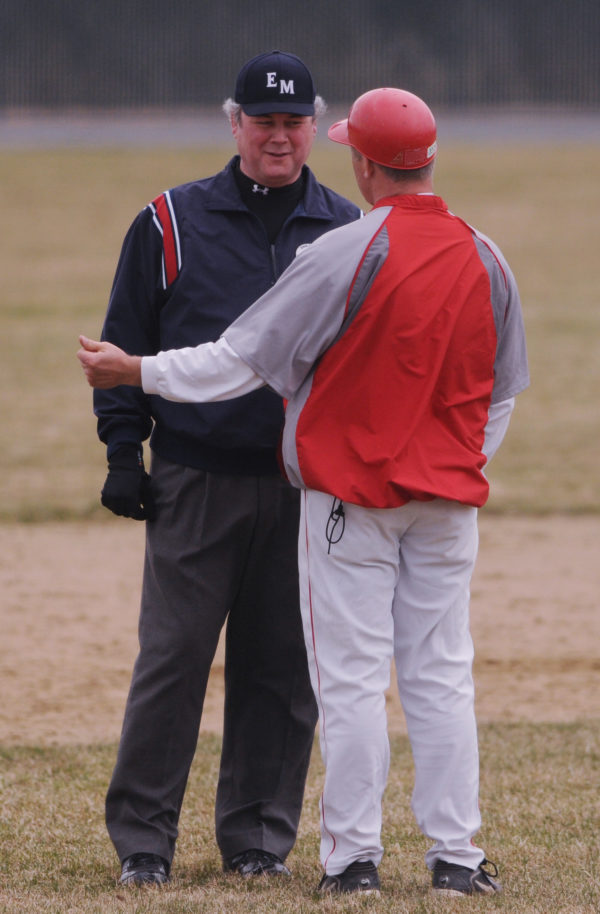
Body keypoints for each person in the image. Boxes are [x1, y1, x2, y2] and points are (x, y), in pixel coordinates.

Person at [78, 87, 529, 897]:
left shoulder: (346, 248)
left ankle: (352, 860)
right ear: (428, 159)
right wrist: (455, 465)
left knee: (350, 680)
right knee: (441, 674)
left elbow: (238, 359)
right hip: (447, 503)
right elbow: (501, 394)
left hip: (348, 502)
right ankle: (456, 858)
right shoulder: (486, 253)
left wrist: (136, 371)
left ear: (361, 162)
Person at [87, 50, 362, 887]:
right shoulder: (169, 221)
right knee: (172, 659)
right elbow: (123, 342)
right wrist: (121, 453)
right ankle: (144, 842)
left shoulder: (348, 228)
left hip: (300, 485)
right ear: (234, 122)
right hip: (193, 479)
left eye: (293, 121)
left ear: (314, 126)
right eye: (262, 120)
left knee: (281, 668)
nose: (278, 137)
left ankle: (257, 840)